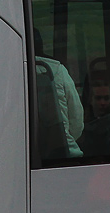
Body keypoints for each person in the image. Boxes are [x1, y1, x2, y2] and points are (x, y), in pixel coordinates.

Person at [33, 31, 84, 160]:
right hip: (65, 153)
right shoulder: (57, 69)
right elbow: (76, 119)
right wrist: (64, 136)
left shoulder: (11, 72)